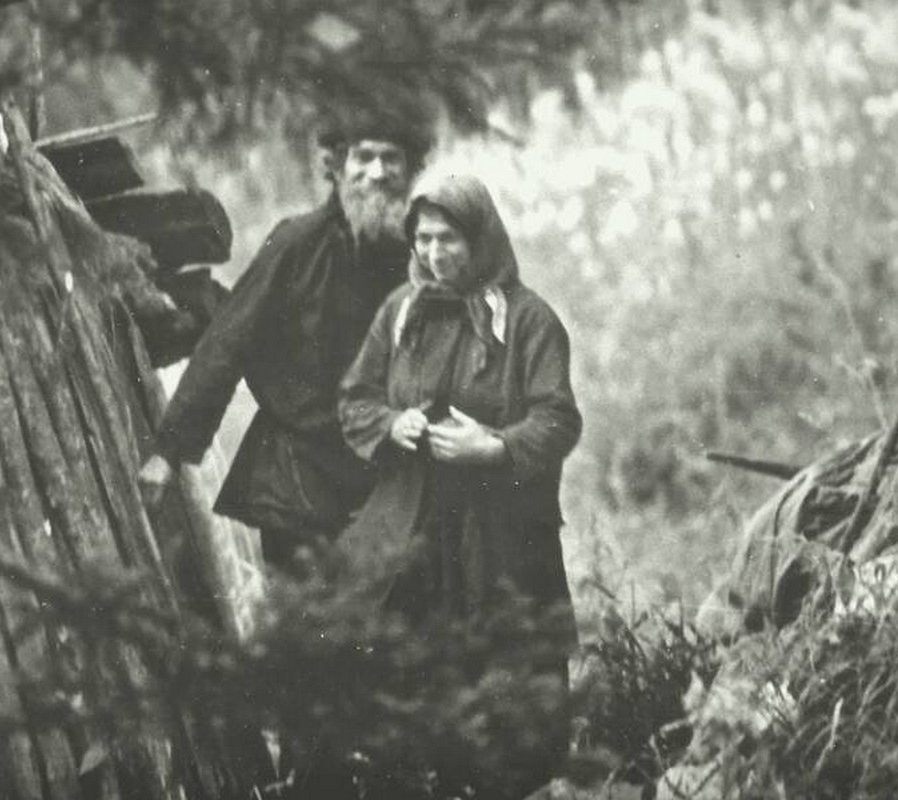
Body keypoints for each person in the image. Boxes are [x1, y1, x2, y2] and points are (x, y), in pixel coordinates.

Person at [338, 172, 582, 798]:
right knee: (424, 685)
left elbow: (558, 419)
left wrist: (494, 447)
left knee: (512, 683)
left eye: (449, 239)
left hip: (502, 538)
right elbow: (355, 398)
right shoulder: (402, 313)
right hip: (418, 533)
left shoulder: (527, 321)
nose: (434, 253)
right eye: (423, 239)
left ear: (481, 239)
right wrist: (392, 423)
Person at [137, 110, 430, 577]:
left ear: (412, 170)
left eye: (391, 159)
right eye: (364, 157)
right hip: (298, 483)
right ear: (336, 166)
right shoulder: (297, 243)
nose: (377, 173)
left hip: (385, 485)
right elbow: (227, 342)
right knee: (303, 616)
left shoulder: (424, 257)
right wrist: (168, 452)